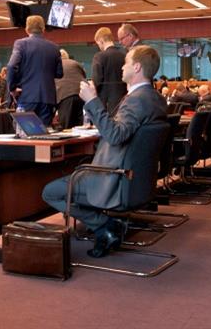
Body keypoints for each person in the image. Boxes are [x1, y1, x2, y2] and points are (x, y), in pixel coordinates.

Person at [42, 45, 166, 258]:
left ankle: (105, 225)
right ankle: (104, 223)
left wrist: (92, 101)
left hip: (112, 179)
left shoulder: (136, 100)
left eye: (126, 63)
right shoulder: (155, 98)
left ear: (137, 67)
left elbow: (116, 136)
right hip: (136, 179)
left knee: (50, 192)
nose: (122, 67)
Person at [6, 15, 63, 126]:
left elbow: (11, 66)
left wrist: (12, 88)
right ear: (43, 29)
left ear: (27, 29)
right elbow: (59, 73)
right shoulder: (54, 47)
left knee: (24, 131)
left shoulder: (21, 44)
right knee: (44, 133)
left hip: (26, 96)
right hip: (48, 98)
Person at [92, 27, 127, 115]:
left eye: (98, 44)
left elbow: (96, 81)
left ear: (101, 41)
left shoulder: (99, 56)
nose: (99, 47)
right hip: (124, 101)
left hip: (106, 103)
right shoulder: (125, 55)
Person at [55, 49, 86, 129]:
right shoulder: (75, 63)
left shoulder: (56, 65)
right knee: (79, 125)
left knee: (66, 125)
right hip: (80, 95)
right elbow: (84, 75)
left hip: (65, 96)